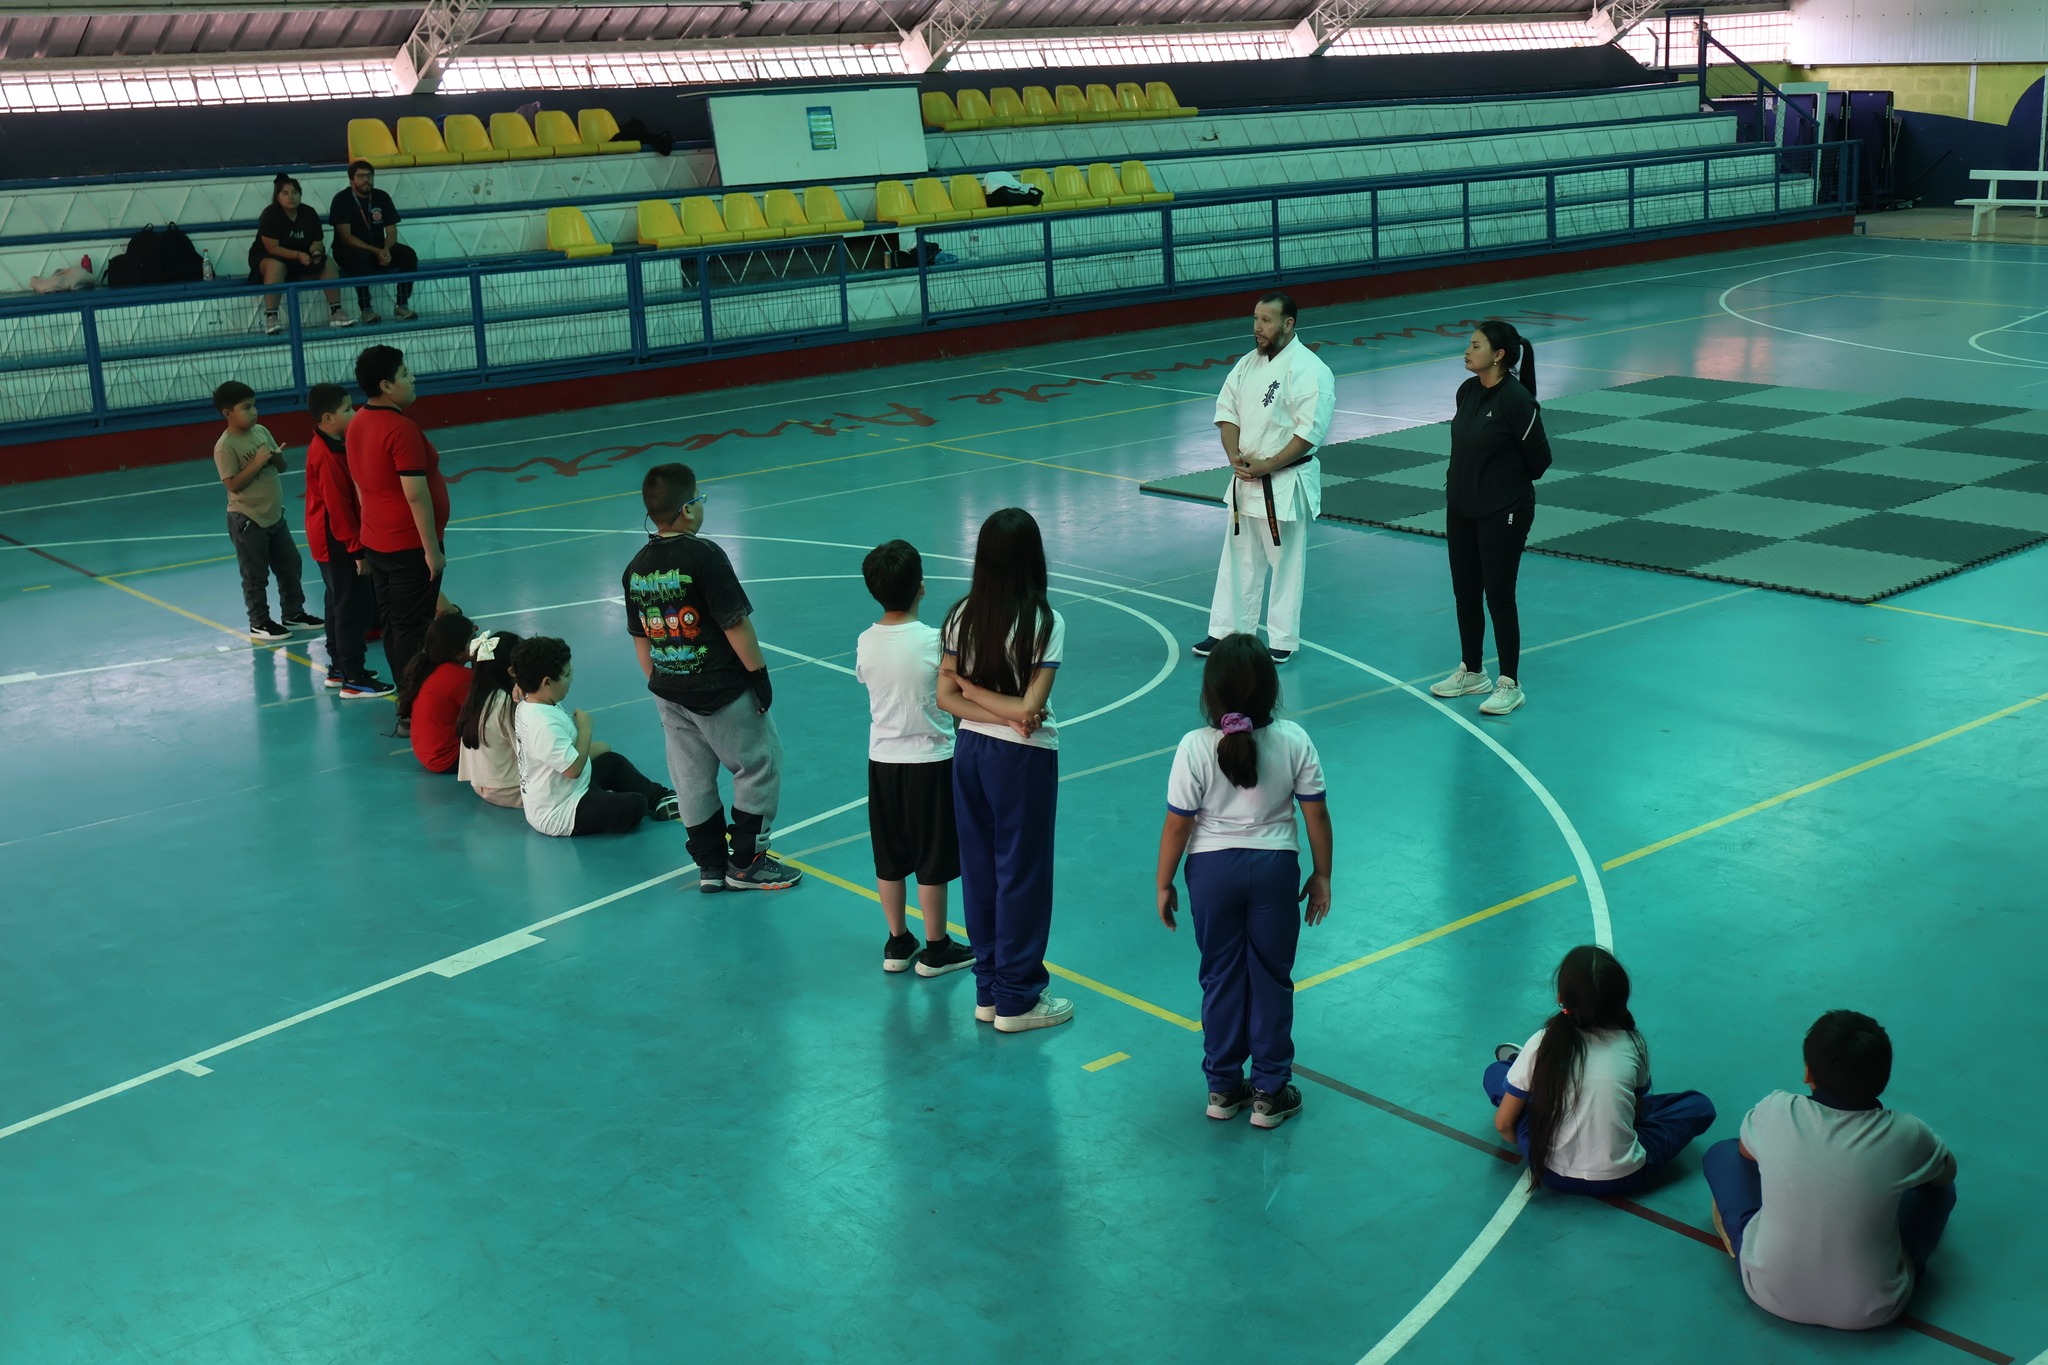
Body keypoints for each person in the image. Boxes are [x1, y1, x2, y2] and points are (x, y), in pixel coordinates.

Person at [1155, 634, 1331, 1129]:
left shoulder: (1194, 746)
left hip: (1211, 873)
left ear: (1210, 693)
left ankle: (1222, 1087)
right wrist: (1322, 874)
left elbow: (1177, 824)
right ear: (1270, 688)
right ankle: (1270, 1092)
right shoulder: (1294, 740)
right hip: (1274, 870)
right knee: (1272, 977)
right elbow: (1316, 816)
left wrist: (1164, 882)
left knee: (1220, 976)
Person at [1703, 1011, 1957, 1331]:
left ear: (1807, 1072)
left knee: (1724, 1153)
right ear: (1883, 1077)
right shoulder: (1907, 1133)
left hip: (1767, 1291)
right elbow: (1946, 1176)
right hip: (1874, 1309)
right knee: (1938, 1189)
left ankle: (1745, 1238)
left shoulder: (1778, 1109)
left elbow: (1743, 1152)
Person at [623, 464, 800, 892]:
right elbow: (735, 625)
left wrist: (660, 682)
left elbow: (640, 638)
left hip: (669, 690)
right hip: (720, 689)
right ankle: (747, 861)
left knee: (690, 776)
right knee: (758, 764)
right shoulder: (705, 556)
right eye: (699, 499)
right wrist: (758, 676)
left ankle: (710, 865)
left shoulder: (636, 568)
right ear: (686, 510)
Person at [938, 508, 1071, 1033]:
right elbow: (1030, 708)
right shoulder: (1046, 621)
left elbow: (949, 696)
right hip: (1023, 758)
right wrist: (1010, 710)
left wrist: (974, 692)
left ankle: (989, 991)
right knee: (1023, 873)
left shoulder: (959, 615)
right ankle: (1018, 999)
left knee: (980, 871)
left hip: (969, 754)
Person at [1484, 944, 1715, 1194]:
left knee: (1496, 1074)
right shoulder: (1633, 1043)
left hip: (1551, 1172)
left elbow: (1503, 1124)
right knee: (1696, 1105)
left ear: (1561, 998)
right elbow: (1636, 1112)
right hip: (1624, 1176)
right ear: (1621, 1000)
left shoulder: (1542, 1041)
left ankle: (1527, 1076)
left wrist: (1529, 1141)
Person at [1191, 291, 1336, 667]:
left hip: (1285, 483)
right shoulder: (1246, 365)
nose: (1258, 328)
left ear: (1289, 324)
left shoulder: (1310, 369)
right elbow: (1227, 412)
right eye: (1255, 319)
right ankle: (1226, 631)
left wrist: (1268, 464)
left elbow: (1309, 433)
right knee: (1238, 558)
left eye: (1266, 320)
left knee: (1285, 563)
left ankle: (1283, 639)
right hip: (1246, 479)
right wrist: (1234, 456)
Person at [856, 539, 972, 977]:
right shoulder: (935, 641)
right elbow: (955, 692)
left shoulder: (866, 641)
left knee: (890, 854)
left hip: (882, 762)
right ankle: (937, 947)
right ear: (921, 587)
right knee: (932, 857)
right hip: (931, 760)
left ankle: (898, 941)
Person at [1428, 320, 1552, 717]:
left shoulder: (1518, 401)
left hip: (1504, 512)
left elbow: (1539, 462)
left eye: (1476, 345)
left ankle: (1509, 683)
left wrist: (1500, 487)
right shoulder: (1467, 392)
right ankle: (1473, 671)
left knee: (1499, 595)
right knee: (1465, 590)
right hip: (1462, 509)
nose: (1467, 350)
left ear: (1498, 355)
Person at [348, 344, 451, 736]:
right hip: (408, 545)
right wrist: (431, 550)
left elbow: (360, 483)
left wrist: (367, 530)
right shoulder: (400, 429)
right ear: (387, 385)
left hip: (380, 540)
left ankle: (409, 704)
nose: (413, 379)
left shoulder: (358, 421)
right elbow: (414, 493)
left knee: (395, 625)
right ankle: (415, 710)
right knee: (413, 628)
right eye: (406, 373)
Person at [511, 635, 680, 837]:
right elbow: (573, 769)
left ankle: (659, 797)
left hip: (568, 790)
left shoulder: (533, 701)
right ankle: (637, 801)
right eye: (566, 674)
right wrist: (585, 730)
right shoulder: (543, 723)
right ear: (546, 682)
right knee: (635, 804)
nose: (571, 678)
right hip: (562, 812)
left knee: (612, 762)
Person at [210, 380, 320, 644]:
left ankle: (294, 613)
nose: (254, 411)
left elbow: (281, 467)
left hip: (274, 516)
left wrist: (276, 456)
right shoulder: (225, 446)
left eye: (254, 405)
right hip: (248, 519)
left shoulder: (261, 431)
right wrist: (257, 462)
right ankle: (259, 621)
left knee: (290, 564)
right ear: (227, 413)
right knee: (255, 575)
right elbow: (233, 484)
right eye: (246, 407)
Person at [302, 382, 392, 699]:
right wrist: (357, 550)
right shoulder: (326, 455)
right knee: (353, 606)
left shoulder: (333, 444)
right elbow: (338, 508)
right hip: (336, 541)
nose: (353, 413)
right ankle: (353, 678)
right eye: (346, 409)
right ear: (327, 418)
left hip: (330, 540)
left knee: (337, 603)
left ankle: (340, 666)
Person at [247, 174, 352, 336]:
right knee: (276, 265)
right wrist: (297, 255)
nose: (291, 197)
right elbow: (272, 247)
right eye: (285, 193)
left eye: (295, 192)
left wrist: (316, 252)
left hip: (301, 258)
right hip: (268, 258)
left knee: (327, 262)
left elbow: (318, 241)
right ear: (278, 197)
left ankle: (336, 311)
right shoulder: (270, 214)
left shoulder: (309, 213)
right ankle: (271, 317)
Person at [330, 161, 420, 327]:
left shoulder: (382, 197)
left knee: (408, 255)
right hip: (348, 251)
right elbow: (346, 237)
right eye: (361, 176)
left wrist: (386, 249)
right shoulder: (342, 199)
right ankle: (366, 309)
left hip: (378, 248)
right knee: (361, 258)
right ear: (351, 180)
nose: (366, 180)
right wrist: (375, 251)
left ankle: (402, 305)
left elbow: (391, 231)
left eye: (369, 176)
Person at [456, 631, 524, 809]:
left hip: (481, 785)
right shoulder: (507, 702)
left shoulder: (477, 695)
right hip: (511, 790)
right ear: (512, 671)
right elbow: (529, 753)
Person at [402, 611, 475, 774]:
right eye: (473, 639)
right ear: (458, 652)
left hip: (428, 753)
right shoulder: (458, 677)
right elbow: (489, 708)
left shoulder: (432, 667)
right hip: (448, 758)